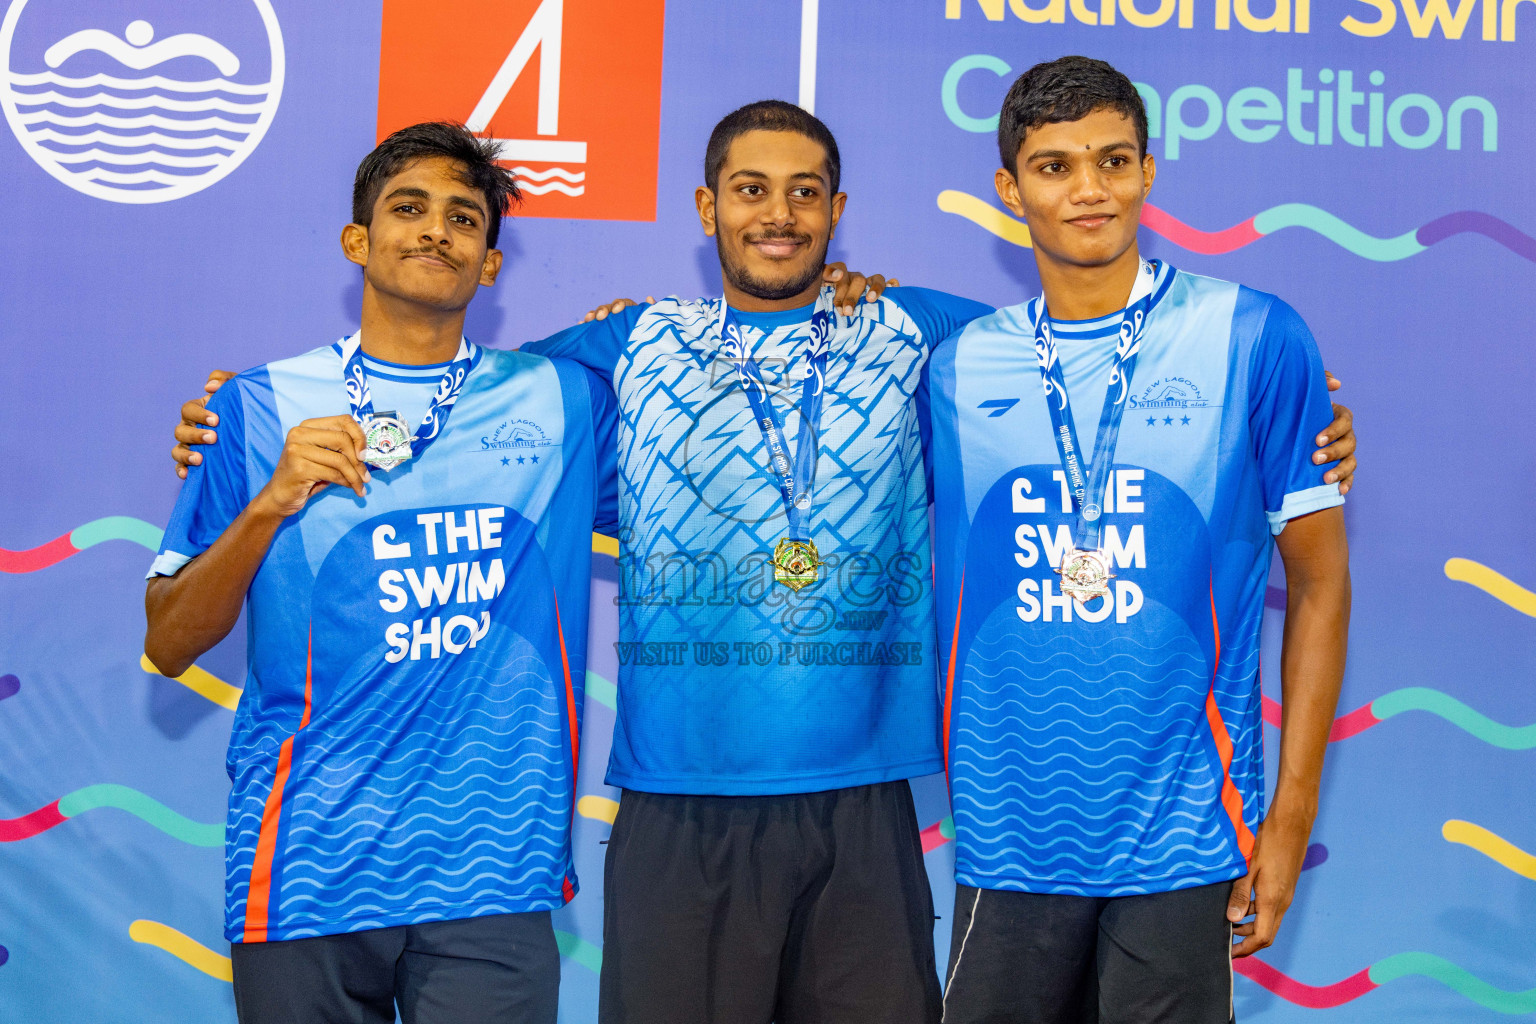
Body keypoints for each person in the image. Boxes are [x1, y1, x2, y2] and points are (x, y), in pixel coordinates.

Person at [167, 101, 1358, 1024]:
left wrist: (1306, 421)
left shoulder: (929, 333)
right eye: (749, 191)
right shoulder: (615, 351)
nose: (776, 214)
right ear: (706, 207)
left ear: (839, 210)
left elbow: (1089, 357)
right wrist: (236, 421)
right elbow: (443, 390)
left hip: (865, 809)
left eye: (803, 193)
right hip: (678, 814)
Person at [144, 122, 622, 1024]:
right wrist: (268, 502)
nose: (436, 229)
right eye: (409, 208)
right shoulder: (255, 407)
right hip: (306, 868)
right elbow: (170, 641)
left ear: (490, 264)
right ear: (357, 241)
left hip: (492, 869)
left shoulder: (563, 399)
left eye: (465, 218)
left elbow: (695, 503)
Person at [925, 56, 1351, 1023]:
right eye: (1055, 166)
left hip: (1187, 834)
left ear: (1149, 172)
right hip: (1008, 836)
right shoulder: (951, 368)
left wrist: (1290, 819)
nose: (1089, 191)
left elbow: (1320, 586)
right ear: (1009, 189)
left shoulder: (1256, 338)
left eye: (1114, 160)